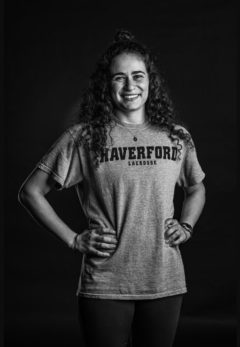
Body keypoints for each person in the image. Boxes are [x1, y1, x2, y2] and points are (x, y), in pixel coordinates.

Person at [18, 29, 206, 347]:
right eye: (119, 78)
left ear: (150, 81)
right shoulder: (85, 137)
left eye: (138, 76)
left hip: (164, 279)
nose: (130, 86)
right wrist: (74, 239)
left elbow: (197, 187)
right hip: (105, 283)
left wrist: (186, 226)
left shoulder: (177, 137)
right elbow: (30, 192)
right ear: (107, 84)